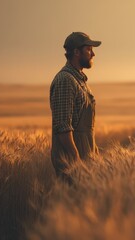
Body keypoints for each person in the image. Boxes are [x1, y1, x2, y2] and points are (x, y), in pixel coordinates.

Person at [49, 32, 102, 184]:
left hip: (86, 162)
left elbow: (86, 130)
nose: (93, 54)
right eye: (89, 49)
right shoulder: (66, 80)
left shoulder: (79, 80)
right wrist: (76, 162)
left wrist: (95, 155)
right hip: (74, 166)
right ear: (76, 52)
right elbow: (63, 128)